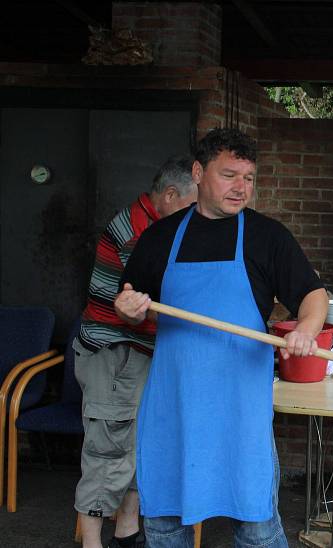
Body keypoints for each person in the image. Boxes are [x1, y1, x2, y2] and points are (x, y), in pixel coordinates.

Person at [114, 128, 328, 548]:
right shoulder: (160, 237)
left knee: (256, 527)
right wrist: (128, 308)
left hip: (240, 409)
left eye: (248, 178)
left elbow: (312, 295)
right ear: (198, 172)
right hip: (173, 405)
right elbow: (128, 299)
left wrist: (305, 329)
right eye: (230, 175)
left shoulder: (267, 237)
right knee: (164, 524)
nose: (241, 188)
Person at [74, 155, 198, 548]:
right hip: (114, 354)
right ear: (170, 195)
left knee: (134, 448)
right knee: (106, 454)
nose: (193, 215)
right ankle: (92, 544)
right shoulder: (138, 233)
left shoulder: (152, 224)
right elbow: (151, 299)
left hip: (134, 354)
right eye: (190, 206)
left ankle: (127, 535)